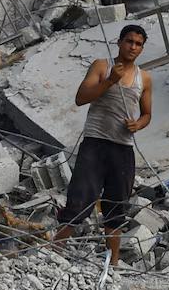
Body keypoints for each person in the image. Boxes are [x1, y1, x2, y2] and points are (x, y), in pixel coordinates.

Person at [56, 24, 154, 264]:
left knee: (116, 204)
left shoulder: (145, 78)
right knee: (81, 197)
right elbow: (81, 98)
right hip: (95, 144)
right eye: (129, 41)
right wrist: (110, 81)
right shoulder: (102, 66)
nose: (133, 47)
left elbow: (147, 114)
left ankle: (113, 265)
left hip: (123, 148)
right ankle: (56, 248)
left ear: (142, 49)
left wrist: (138, 125)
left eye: (138, 44)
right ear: (119, 42)